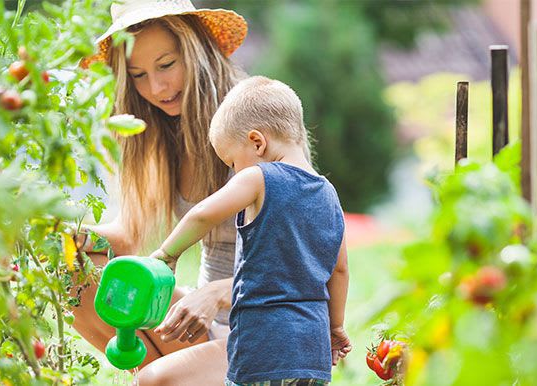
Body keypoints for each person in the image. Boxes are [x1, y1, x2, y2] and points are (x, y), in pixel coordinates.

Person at [72, 1, 248, 384]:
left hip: (264, 325)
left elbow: (304, 265)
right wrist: (63, 235)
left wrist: (217, 292)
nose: (156, 87)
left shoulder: (250, 118)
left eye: (166, 65)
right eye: (138, 75)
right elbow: (125, 240)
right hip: (206, 323)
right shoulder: (161, 135)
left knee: (156, 380)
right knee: (77, 276)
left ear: (196, 49)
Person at [149, 76, 352, 386]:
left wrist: (167, 254)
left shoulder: (259, 177)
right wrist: (335, 326)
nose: (234, 171)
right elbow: (339, 270)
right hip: (313, 356)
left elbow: (203, 215)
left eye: (232, 161)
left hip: (262, 353)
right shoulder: (329, 193)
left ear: (258, 143)